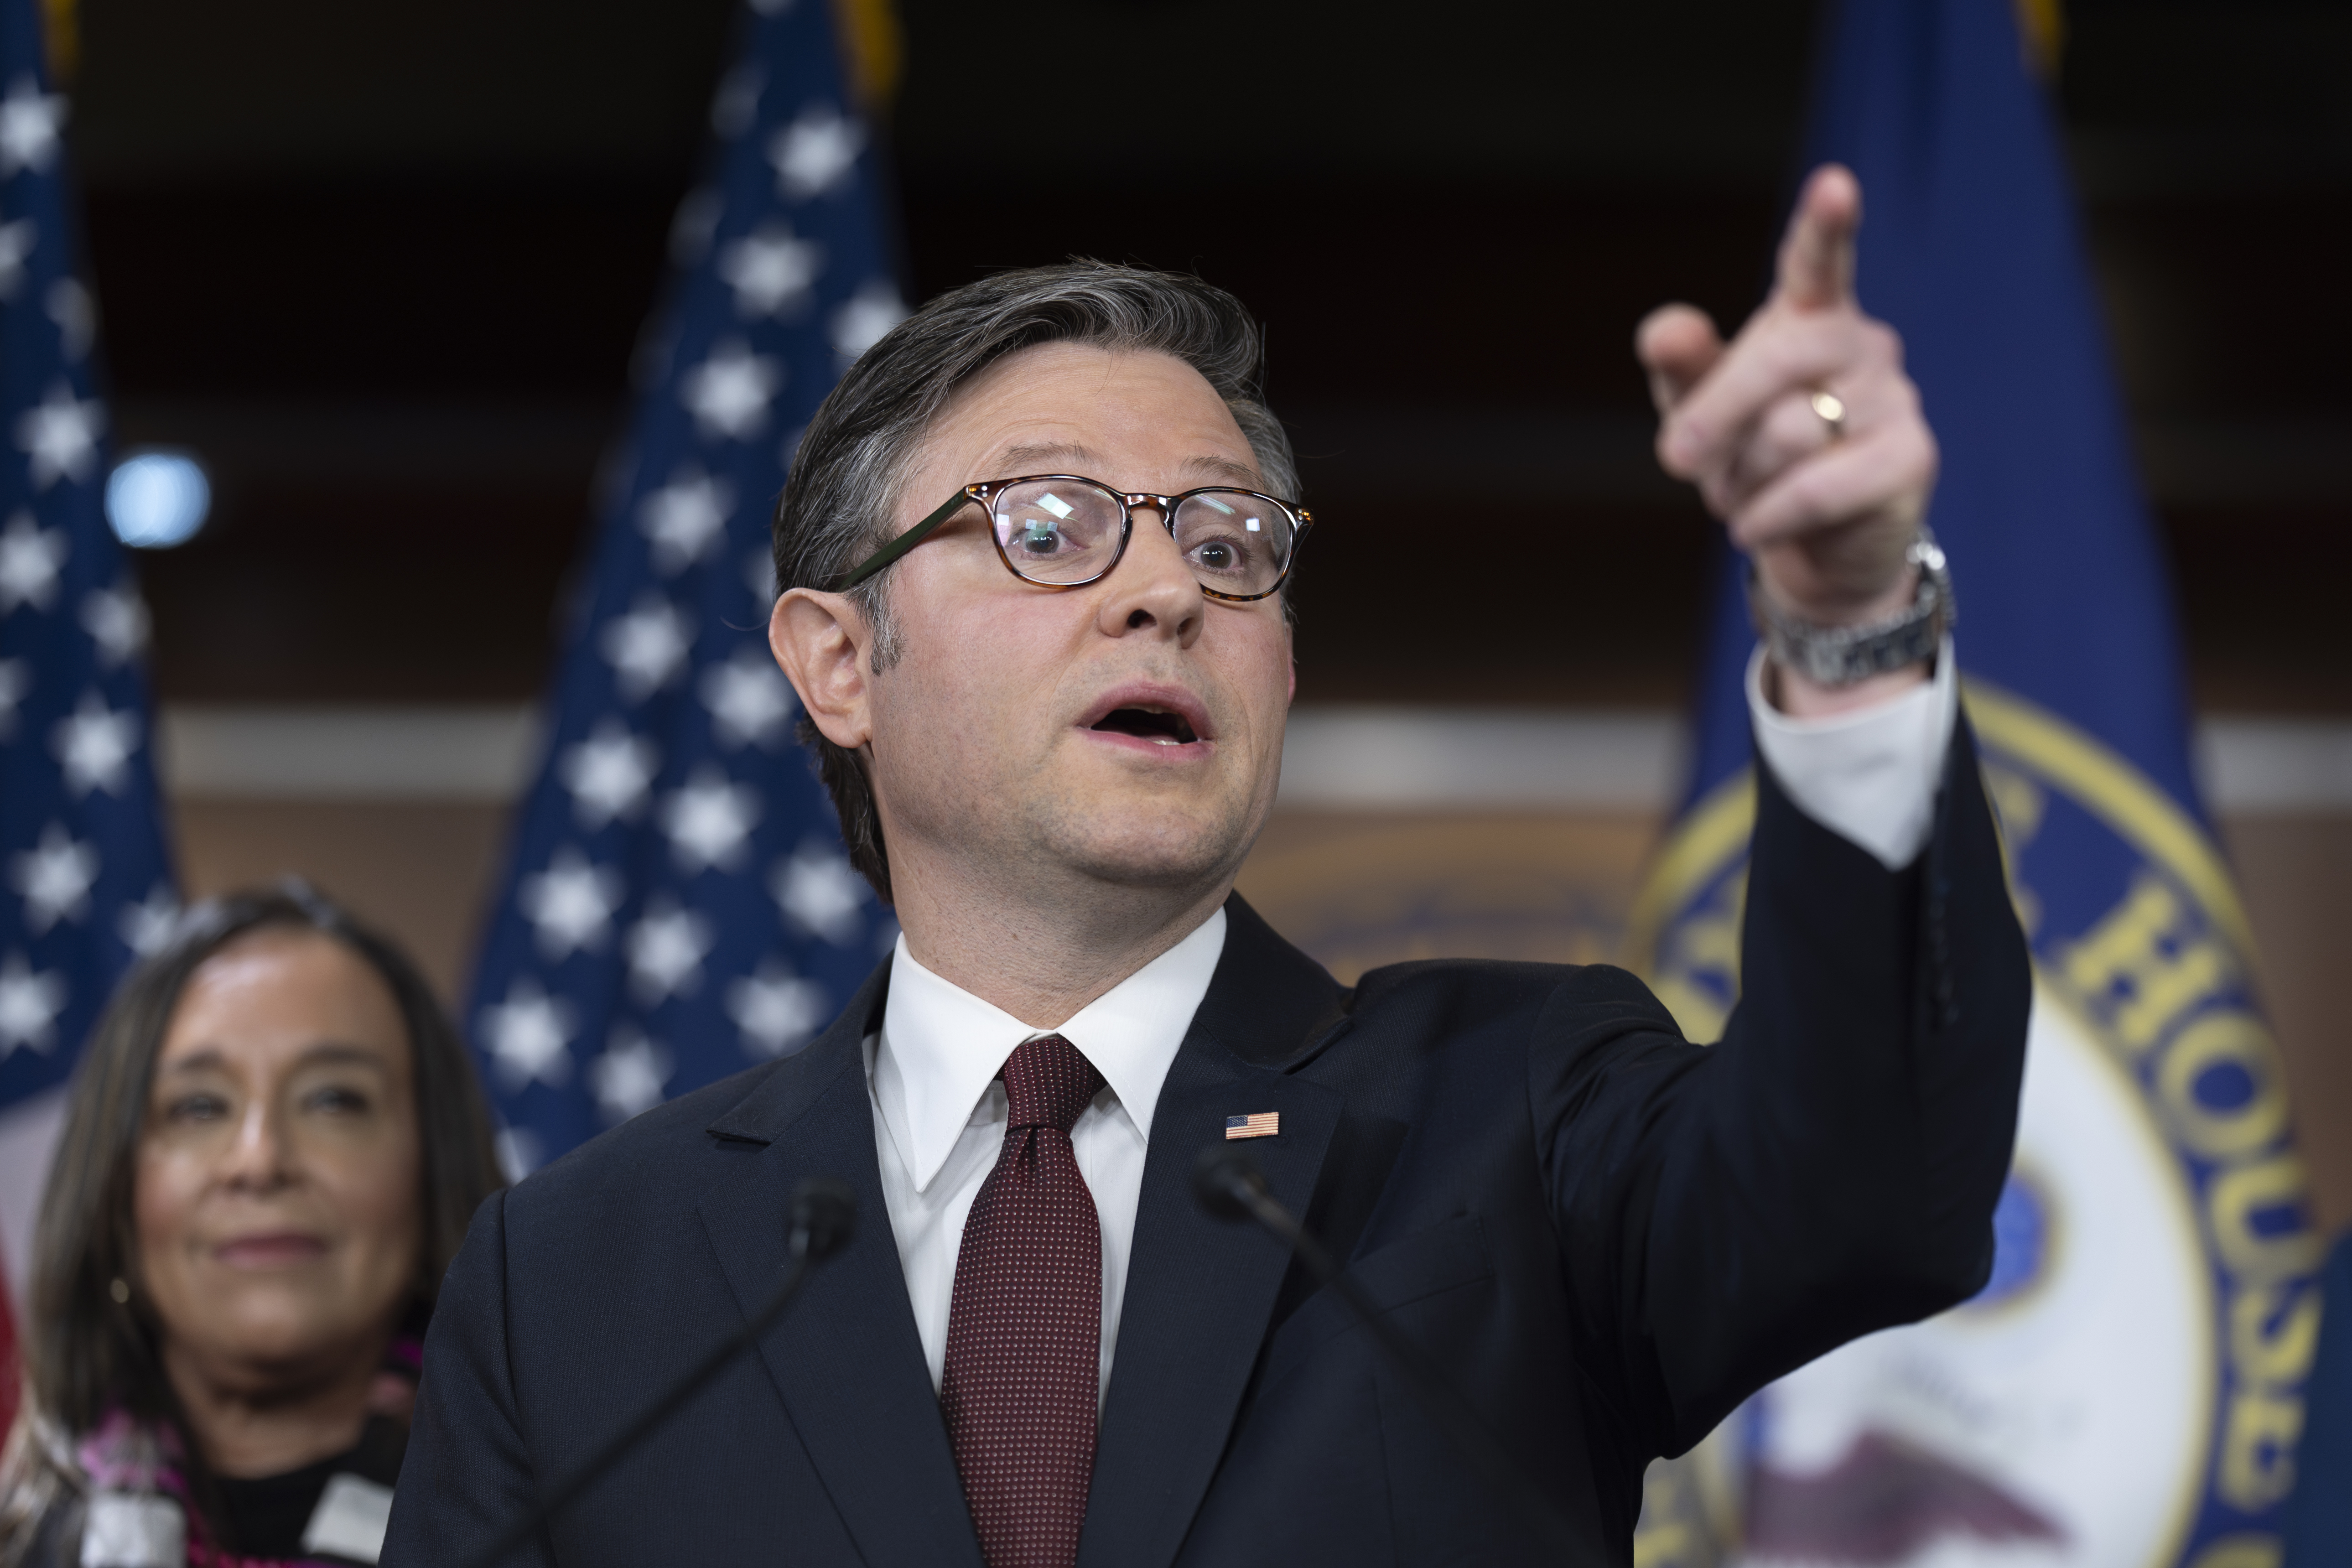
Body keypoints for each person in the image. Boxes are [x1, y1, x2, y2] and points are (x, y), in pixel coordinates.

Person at [385, 166, 2030, 1566]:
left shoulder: (1509, 1111)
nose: (1165, 589)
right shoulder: (580, 1275)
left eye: (1226, 540)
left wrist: (1846, 623)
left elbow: (1867, 1189)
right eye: (1049, 525)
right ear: (836, 660)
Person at [0, 885, 504, 1568]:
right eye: (200, 1107)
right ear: (114, 1194)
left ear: (432, 1168)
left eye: (334, 1099)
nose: (260, 1159)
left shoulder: (574, 1532)